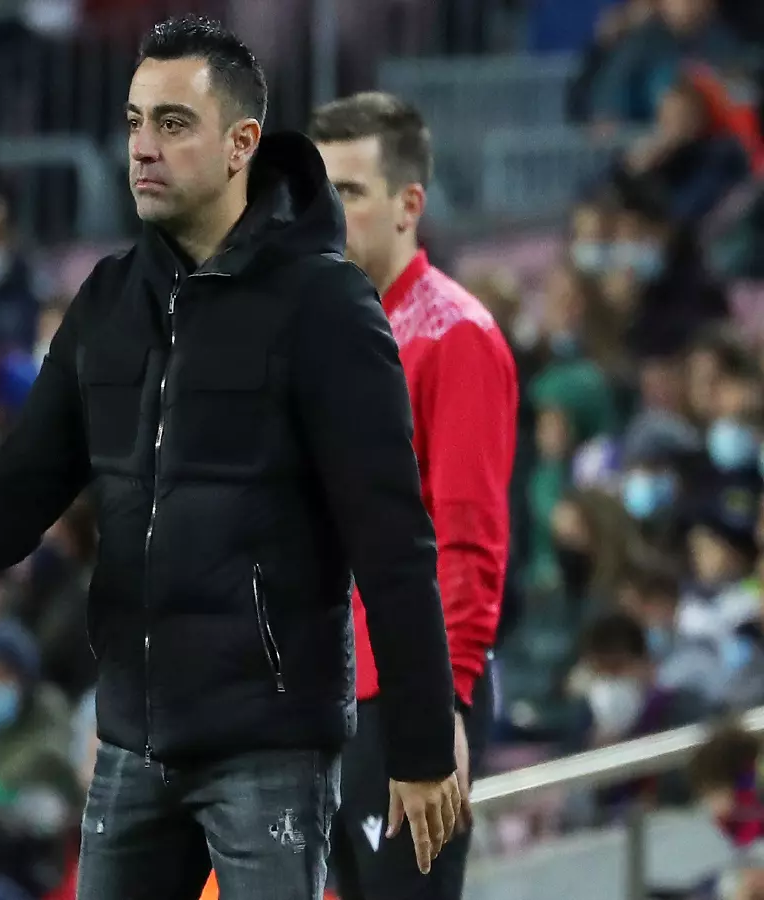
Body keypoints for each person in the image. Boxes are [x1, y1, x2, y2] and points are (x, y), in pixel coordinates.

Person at [0, 15, 461, 900]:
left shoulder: (325, 305)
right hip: (133, 739)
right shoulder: (108, 300)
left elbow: (392, 537)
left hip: (269, 743)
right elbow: (18, 493)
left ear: (241, 145)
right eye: (136, 121)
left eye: (173, 124)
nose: (143, 146)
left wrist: (420, 743)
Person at [309, 92, 518, 900]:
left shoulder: (454, 336)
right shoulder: (327, 337)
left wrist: (444, 712)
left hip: (404, 692)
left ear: (409, 205)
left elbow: (469, 542)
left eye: (350, 192)